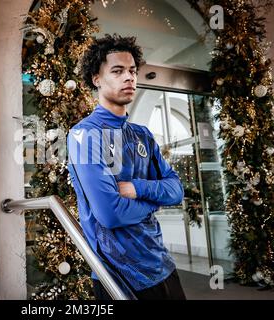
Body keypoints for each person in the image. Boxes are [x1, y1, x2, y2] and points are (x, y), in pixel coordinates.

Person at [67, 34, 186, 300]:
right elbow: (110, 215)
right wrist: (154, 203)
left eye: (132, 71)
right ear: (97, 79)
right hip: (119, 275)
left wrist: (137, 187)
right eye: (118, 71)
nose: (129, 77)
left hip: (161, 264)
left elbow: (176, 189)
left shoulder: (142, 134)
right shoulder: (84, 134)